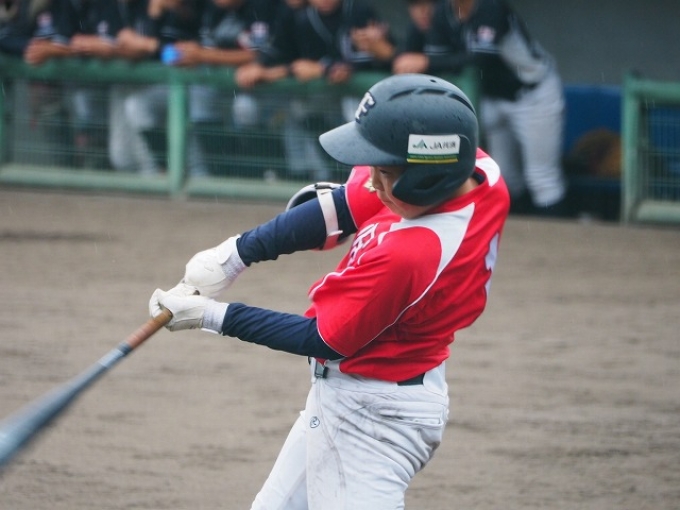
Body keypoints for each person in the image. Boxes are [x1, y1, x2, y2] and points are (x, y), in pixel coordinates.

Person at [148, 73, 510, 509]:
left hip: (374, 421)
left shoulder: (413, 253)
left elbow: (321, 338)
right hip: (362, 392)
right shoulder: (478, 173)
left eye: (384, 172)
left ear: (426, 180)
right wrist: (234, 255)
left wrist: (211, 315)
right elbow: (342, 207)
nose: (371, 182)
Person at [395, 0, 568, 216]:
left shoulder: (491, 7)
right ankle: (521, 234)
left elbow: (480, 58)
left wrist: (427, 62)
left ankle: (559, 232)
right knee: (504, 178)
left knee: (541, 177)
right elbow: (438, 58)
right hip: (492, 98)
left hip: (532, 94)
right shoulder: (443, 13)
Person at [235, 0, 395, 181]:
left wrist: (325, 68)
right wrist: (261, 66)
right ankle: (310, 175)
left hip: (362, 94)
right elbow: (283, 52)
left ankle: (365, 178)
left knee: (355, 115)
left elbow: (367, 61)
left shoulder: (358, 10)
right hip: (322, 96)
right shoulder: (301, 17)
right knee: (300, 112)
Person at [23, 0, 126, 169]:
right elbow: (63, 40)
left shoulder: (108, 5)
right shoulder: (67, 5)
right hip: (82, 90)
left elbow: (114, 46)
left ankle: (93, 171)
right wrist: (66, 48)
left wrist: (96, 46)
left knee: (119, 155)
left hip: (117, 89)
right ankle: (69, 171)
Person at [391, 0, 436, 74]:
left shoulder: (449, 24)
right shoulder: (414, 30)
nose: (423, 11)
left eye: (429, 3)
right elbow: (405, 59)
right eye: (416, 5)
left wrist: (428, 62)